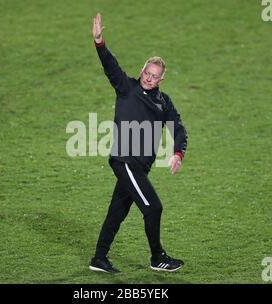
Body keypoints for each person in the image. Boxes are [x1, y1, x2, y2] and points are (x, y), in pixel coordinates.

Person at [89, 13, 188, 273]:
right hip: (126, 161)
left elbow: (177, 126)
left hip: (139, 167)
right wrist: (99, 42)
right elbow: (110, 66)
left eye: (155, 76)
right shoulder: (127, 87)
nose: (148, 78)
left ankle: (99, 258)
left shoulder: (163, 102)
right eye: (147, 72)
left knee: (116, 213)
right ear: (142, 70)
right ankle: (158, 258)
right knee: (153, 207)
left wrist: (178, 153)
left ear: (160, 80)